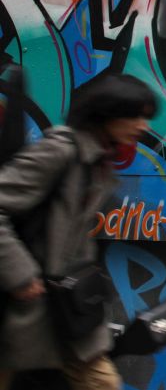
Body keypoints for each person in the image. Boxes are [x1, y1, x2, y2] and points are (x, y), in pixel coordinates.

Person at [0, 73, 157, 390]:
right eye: (135, 115)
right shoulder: (60, 152)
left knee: (102, 383)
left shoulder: (95, 161)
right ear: (107, 113)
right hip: (27, 309)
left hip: (65, 313)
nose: (144, 126)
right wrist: (20, 275)